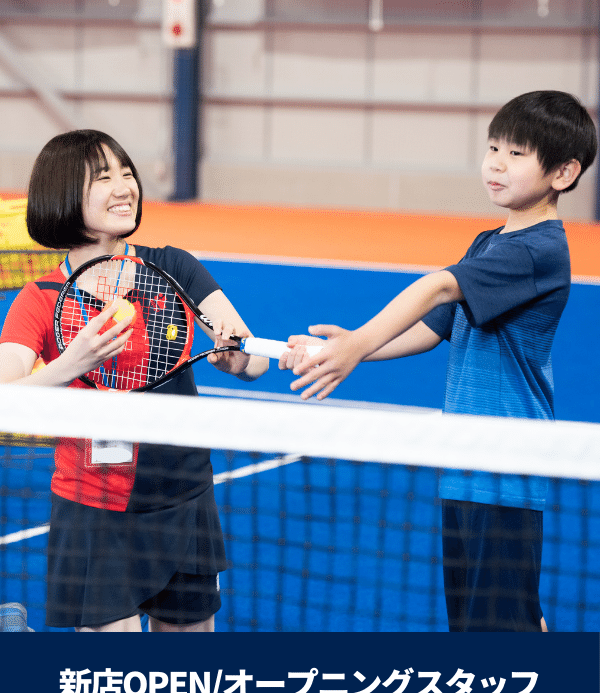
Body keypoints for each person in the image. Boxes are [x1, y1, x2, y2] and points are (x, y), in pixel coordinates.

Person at [279, 90, 597, 632]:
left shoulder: (539, 250)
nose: (496, 163)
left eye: (517, 154)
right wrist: (346, 347)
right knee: (488, 620)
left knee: (498, 630)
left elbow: (437, 288)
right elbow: (432, 329)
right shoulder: (490, 242)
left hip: (504, 466)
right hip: (465, 462)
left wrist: (356, 344)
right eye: (493, 148)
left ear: (563, 173)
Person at [0, 129, 268, 632]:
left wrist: (234, 357)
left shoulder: (172, 267)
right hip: (95, 505)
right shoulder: (40, 299)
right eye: (104, 178)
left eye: (127, 173)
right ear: (63, 193)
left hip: (184, 493)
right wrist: (67, 365)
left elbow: (252, 362)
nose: (125, 187)